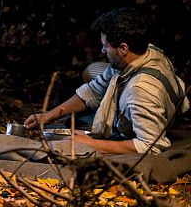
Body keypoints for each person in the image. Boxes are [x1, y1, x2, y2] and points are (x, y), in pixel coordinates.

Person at [24, 8, 189, 154]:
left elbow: (150, 146)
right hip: (142, 101)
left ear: (123, 48)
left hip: (144, 114)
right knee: (92, 72)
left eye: (106, 45)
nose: (102, 50)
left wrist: (93, 144)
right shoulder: (144, 50)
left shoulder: (140, 90)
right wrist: (47, 116)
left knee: (79, 126)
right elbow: (93, 91)